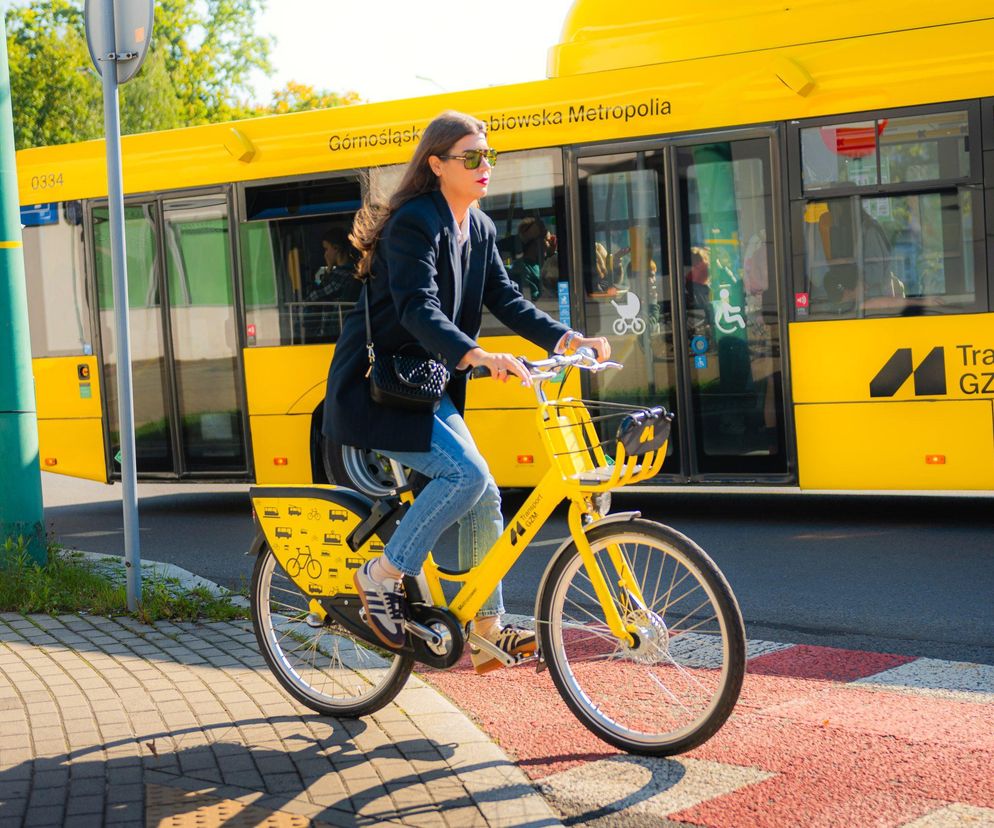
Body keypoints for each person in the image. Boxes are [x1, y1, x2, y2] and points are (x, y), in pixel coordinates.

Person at [322, 111, 609, 672]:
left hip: (429, 388)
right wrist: (476, 354)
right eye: (471, 157)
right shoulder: (415, 222)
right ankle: (380, 575)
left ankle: (486, 628)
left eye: (488, 156)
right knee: (468, 475)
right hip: (379, 388)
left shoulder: (478, 227)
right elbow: (416, 306)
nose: (484, 167)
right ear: (437, 164)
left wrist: (567, 337)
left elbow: (506, 299)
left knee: (485, 492)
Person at [508, 217, 549, 300]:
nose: (548, 245)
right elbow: (530, 299)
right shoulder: (522, 269)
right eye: (545, 240)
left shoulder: (540, 263)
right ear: (535, 243)